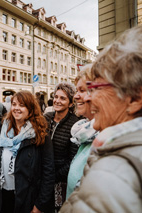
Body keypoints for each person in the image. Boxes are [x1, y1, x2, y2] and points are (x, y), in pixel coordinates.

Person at [61, 25, 142, 212]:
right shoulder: (112, 148)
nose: (89, 97)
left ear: (135, 98)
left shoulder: (115, 175)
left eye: (96, 87)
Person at [0, 91, 55, 213]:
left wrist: (40, 205)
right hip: (0, 196)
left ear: (30, 109)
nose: (16, 108)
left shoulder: (40, 134)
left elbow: (48, 172)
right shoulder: (1, 129)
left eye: (22, 105)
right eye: (14, 104)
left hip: (26, 198)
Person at [44, 82, 79, 211]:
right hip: (42, 177)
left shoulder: (75, 124)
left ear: (70, 103)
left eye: (63, 98)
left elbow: (73, 159)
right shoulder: (46, 118)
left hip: (60, 181)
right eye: (56, 97)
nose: (57, 101)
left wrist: (54, 176)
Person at [66, 65, 98, 198]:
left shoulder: (103, 137)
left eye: (82, 90)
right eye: (76, 90)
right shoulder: (85, 134)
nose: (76, 96)